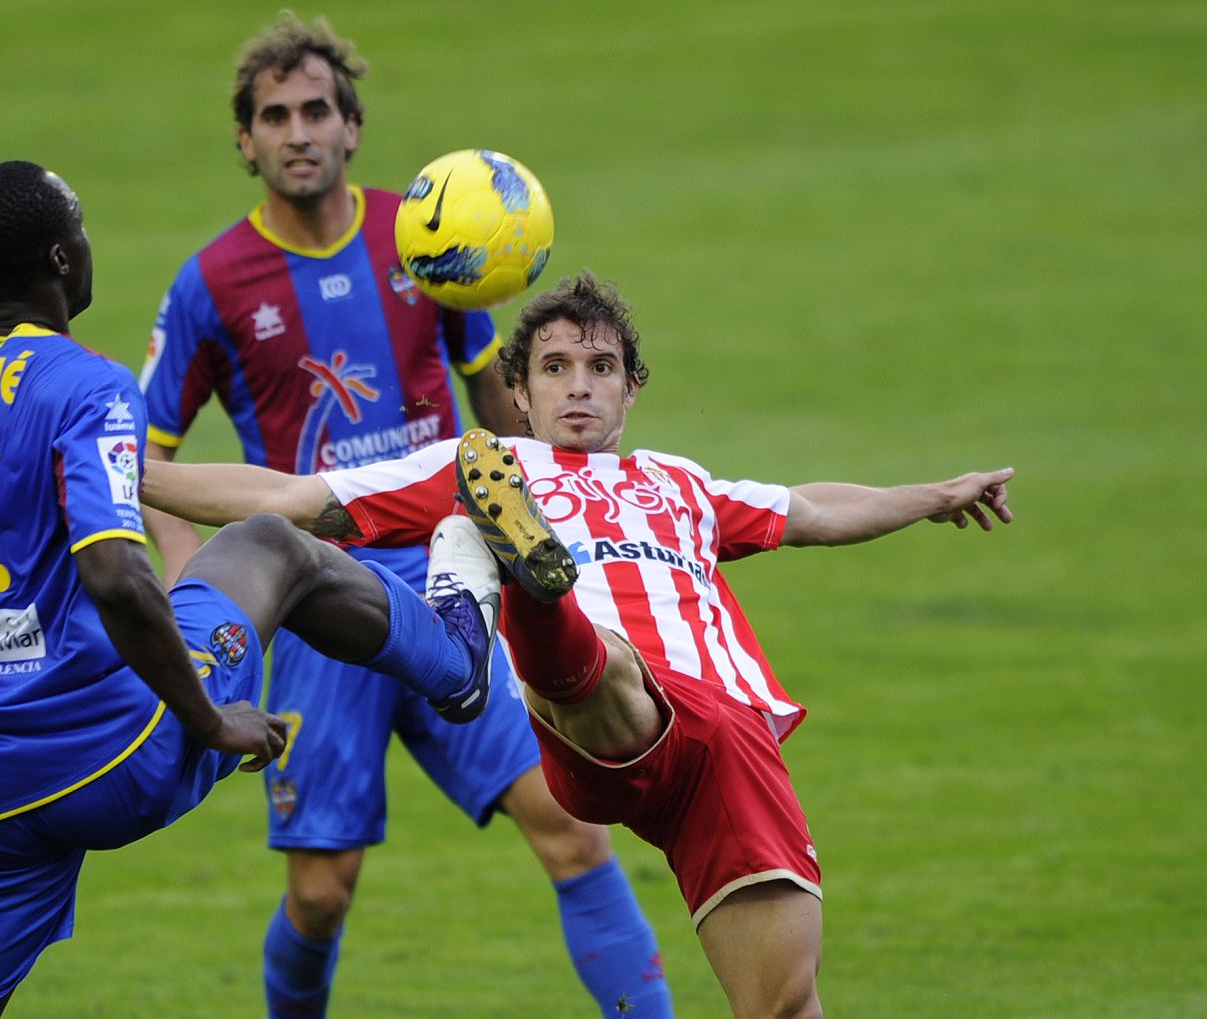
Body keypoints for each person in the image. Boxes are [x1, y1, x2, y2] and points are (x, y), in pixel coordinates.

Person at [0, 160, 507, 1018]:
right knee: (268, 543)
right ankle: (458, 662)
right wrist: (208, 720)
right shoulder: (88, 387)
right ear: (62, 260)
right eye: (83, 229)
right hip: (114, 753)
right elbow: (116, 572)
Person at [137, 271, 1016, 1019]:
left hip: (730, 744)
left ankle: (514, 577)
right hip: (602, 714)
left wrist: (934, 494)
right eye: (555, 368)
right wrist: (124, 470)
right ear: (520, 390)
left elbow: (813, 510)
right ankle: (530, 583)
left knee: (785, 1001)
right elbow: (292, 497)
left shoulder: (683, 484)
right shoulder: (481, 464)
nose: (580, 386)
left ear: (633, 386)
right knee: (597, 661)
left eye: (601, 367)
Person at [138, 12, 672, 1018]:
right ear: (245, 141)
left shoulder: (431, 239)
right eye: (275, 116)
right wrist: (191, 599)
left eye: (317, 112)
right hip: (313, 603)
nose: (298, 132)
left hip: (451, 575)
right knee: (322, 891)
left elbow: (498, 410)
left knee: (572, 831)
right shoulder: (211, 283)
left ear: (352, 127)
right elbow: (148, 456)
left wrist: (563, 511)